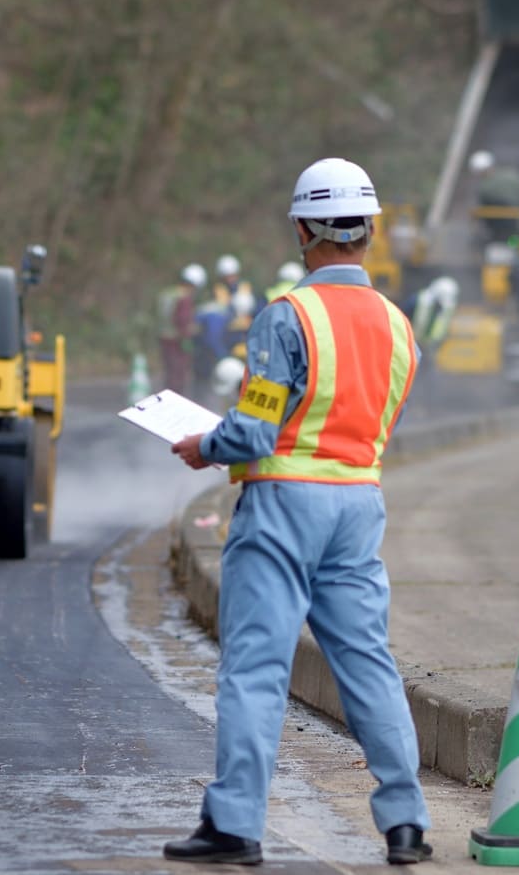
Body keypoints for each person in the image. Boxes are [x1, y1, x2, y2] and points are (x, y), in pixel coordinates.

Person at [165, 157, 432, 867]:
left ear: (302, 229)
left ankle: (234, 825)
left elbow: (253, 431)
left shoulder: (287, 318)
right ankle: (405, 822)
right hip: (359, 505)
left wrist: (203, 444)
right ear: (369, 230)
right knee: (368, 664)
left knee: (255, 667)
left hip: (283, 504)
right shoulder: (399, 327)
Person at [155, 264, 206, 394]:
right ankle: (174, 401)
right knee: (178, 375)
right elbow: (182, 320)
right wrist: (189, 336)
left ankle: (167, 397)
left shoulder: (168, 293)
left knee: (169, 372)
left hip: (164, 337)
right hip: (177, 340)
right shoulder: (184, 298)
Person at [469, 150, 519, 245]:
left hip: (500, 232)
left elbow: (483, 208)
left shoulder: (485, 187)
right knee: (515, 245)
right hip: (516, 229)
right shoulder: (512, 175)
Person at [212, 254, 262, 352]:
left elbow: (256, 308)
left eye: (232, 275)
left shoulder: (246, 287)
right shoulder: (218, 290)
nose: (230, 279)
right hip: (229, 334)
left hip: (248, 332)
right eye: (226, 276)